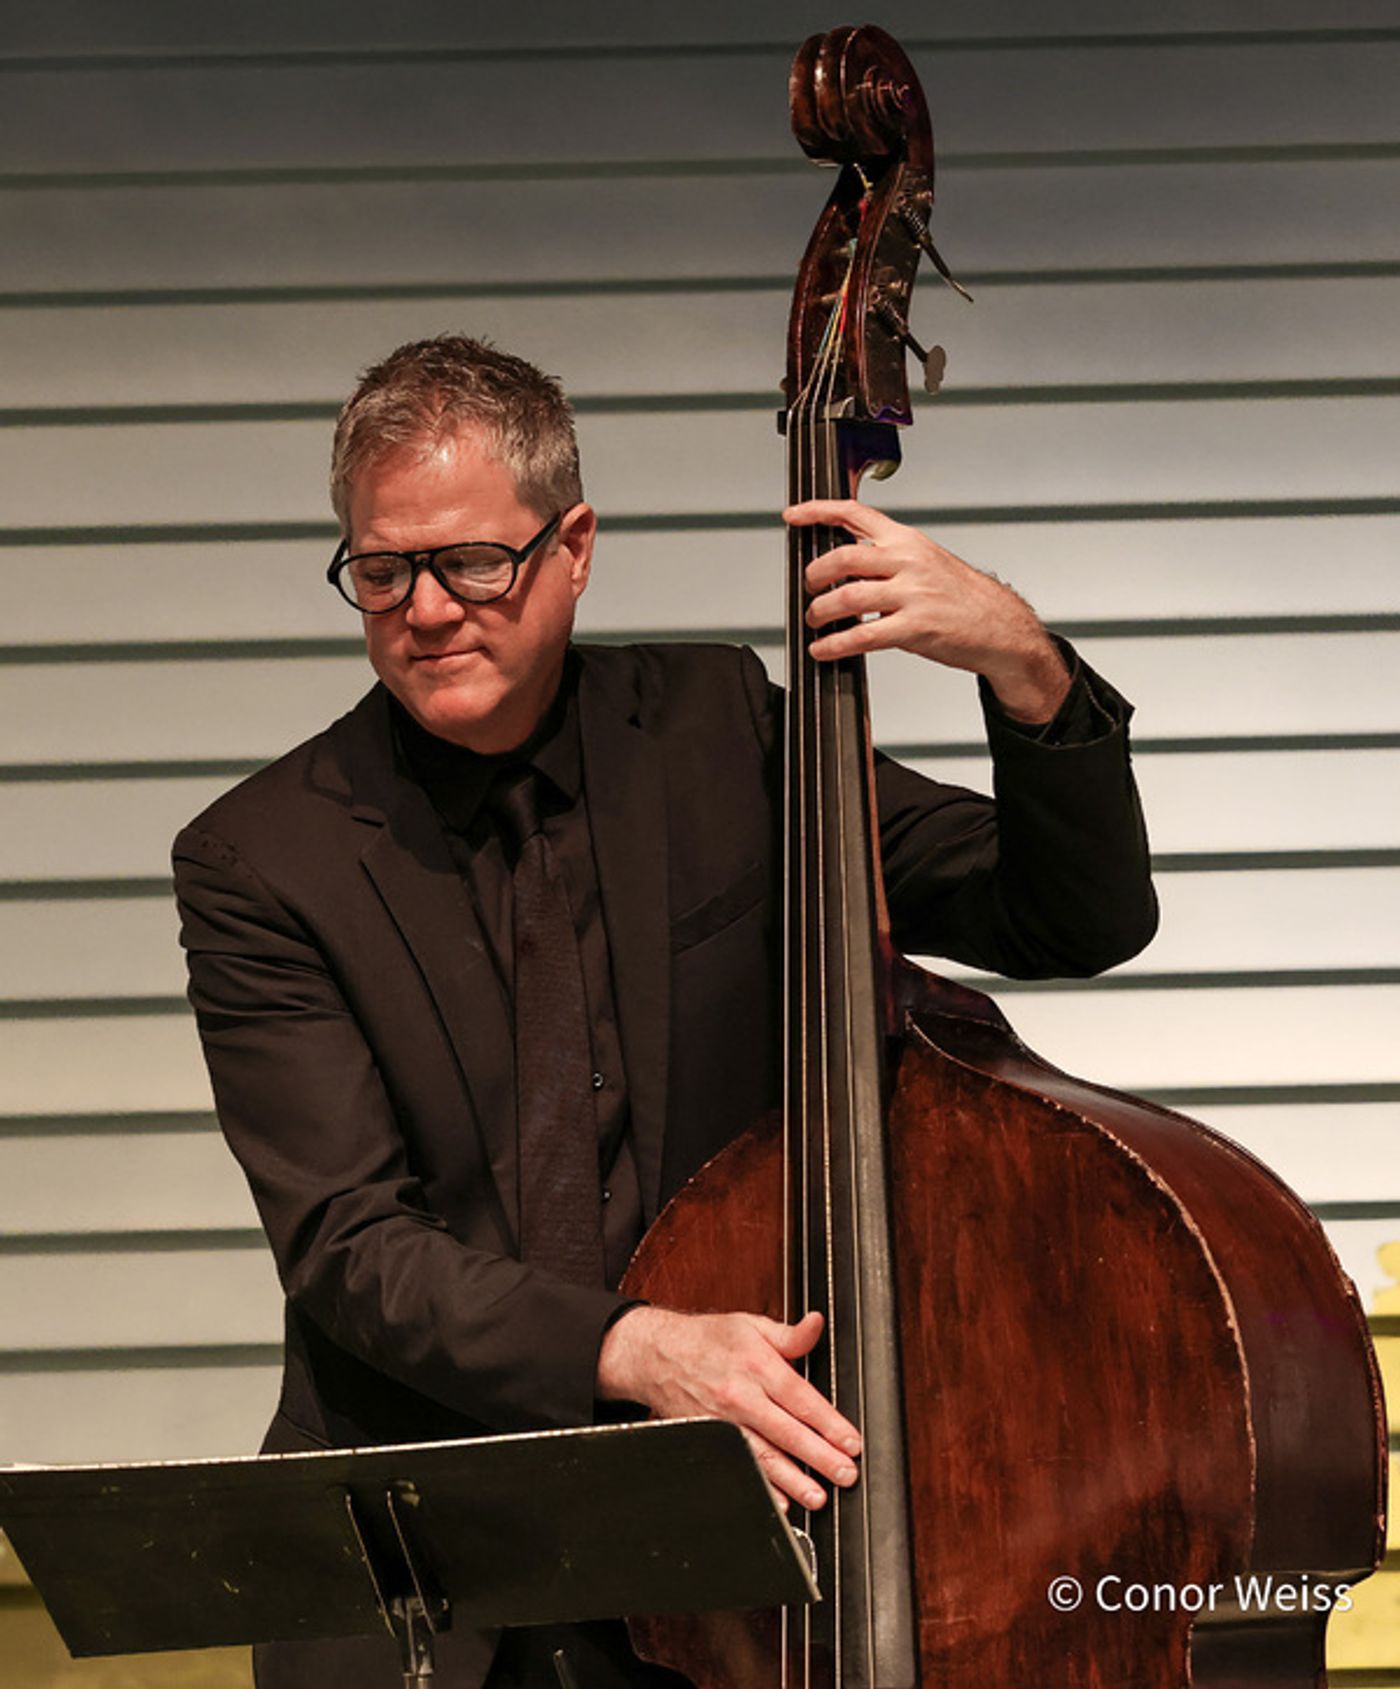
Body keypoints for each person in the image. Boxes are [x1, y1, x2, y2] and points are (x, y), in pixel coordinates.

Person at [173, 335, 1157, 1688]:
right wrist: (634, 1349)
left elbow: (1070, 916)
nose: (427, 608)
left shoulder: (722, 734)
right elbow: (350, 1245)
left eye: (473, 561)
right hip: (443, 1599)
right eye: (382, 570)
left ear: (573, 545)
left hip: (748, 1565)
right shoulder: (261, 858)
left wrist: (1022, 661)